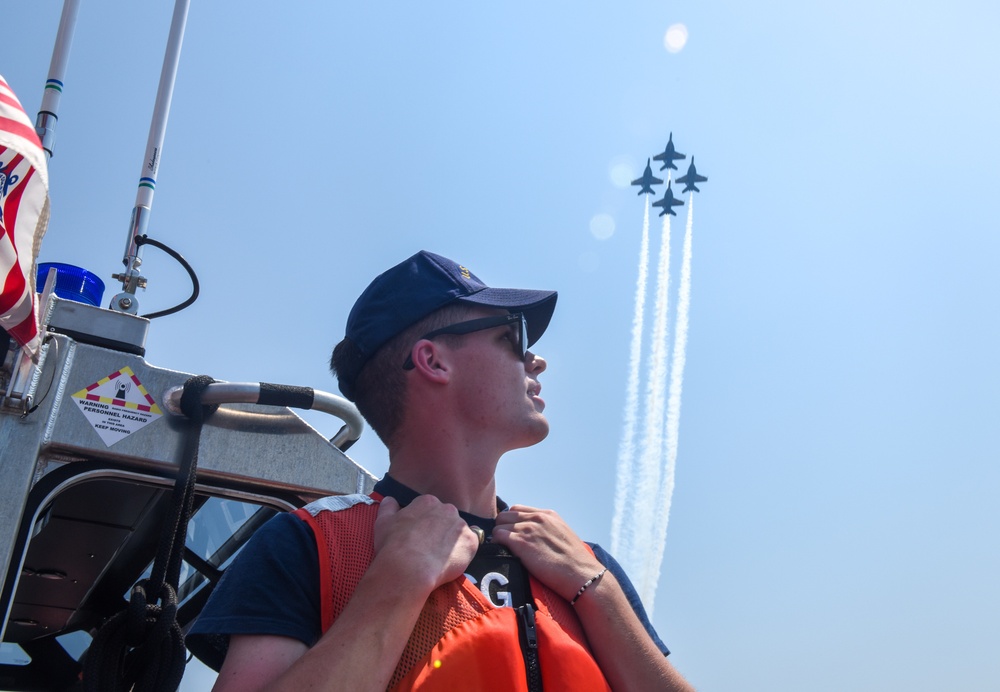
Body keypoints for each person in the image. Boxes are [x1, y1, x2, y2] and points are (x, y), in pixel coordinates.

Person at [188, 250, 693, 691]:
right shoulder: (309, 544)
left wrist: (598, 589)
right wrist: (398, 582)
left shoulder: (584, 563)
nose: (537, 362)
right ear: (433, 361)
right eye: (513, 336)